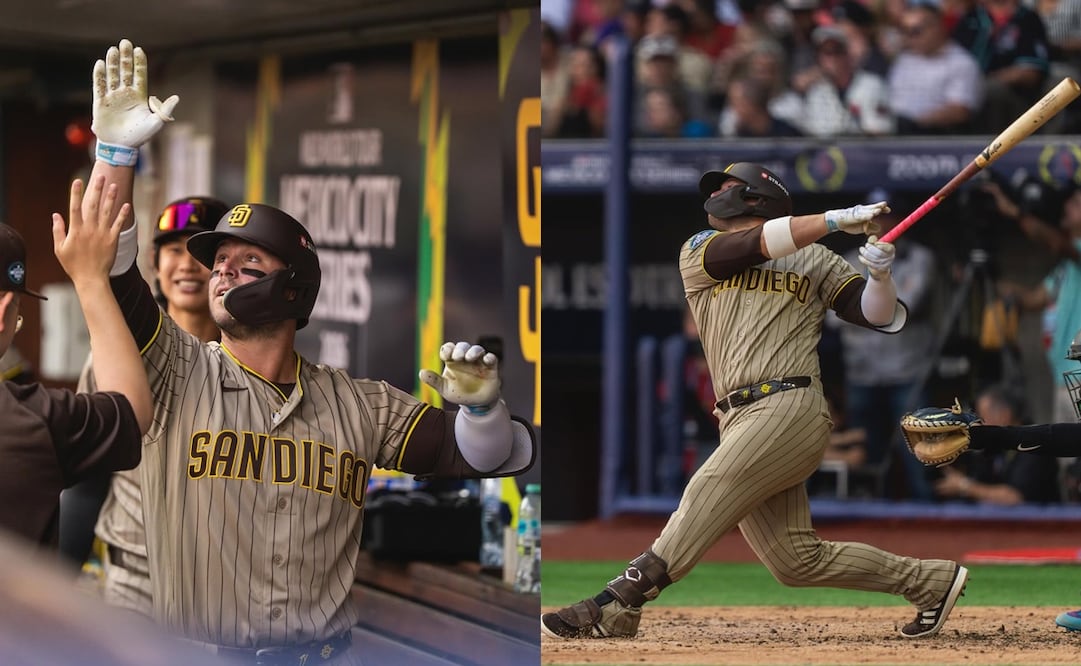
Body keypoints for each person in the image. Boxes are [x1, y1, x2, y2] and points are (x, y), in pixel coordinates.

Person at [84, 39, 535, 663]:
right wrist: (114, 156)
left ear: (294, 285)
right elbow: (102, 260)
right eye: (218, 263)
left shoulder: (357, 403)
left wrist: (483, 411)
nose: (222, 273)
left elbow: (479, 455)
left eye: (247, 262)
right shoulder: (176, 368)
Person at [541, 162, 969, 641]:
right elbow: (753, 245)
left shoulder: (817, 259)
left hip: (790, 404)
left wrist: (881, 277)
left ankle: (618, 602)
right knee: (795, 560)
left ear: (754, 196)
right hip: (738, 415)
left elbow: (879, 317)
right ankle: (931, 581)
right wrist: (833, 219)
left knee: (708, 485)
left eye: (725, 187)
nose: (714, 196)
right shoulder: (700, 248)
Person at [59, 197, 229, 614]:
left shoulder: (255, 361)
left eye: (199, 251)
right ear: (153, 263)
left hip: (226, 589)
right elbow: (87, 479)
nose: (187, 264)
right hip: (135, 583)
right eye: (173, 250)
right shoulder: (119, 352)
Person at [0, 176, 152, 547]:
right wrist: (90, 279)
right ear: (4, 312)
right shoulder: (30, 420)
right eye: (18, 315)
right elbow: (131, 410)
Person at [832, 192, 938, 500]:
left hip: (908, 373)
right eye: (874, 219)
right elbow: (833, 318)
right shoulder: (849, 261)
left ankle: (931, 523)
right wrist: (878, 311)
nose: (880, 225)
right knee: (866, 455)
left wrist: (863, 309)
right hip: (862, 374)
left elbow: (905, 307)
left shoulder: (920, 259)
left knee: (919, 453)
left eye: (888, 217)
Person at [932, 384, 1061, 504]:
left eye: (982, 419)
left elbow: (1015, 498)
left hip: (1040, 524)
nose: (979, 426)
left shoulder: (1035, 444)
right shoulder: (996, 447)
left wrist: (964, 486)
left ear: (1004, 415)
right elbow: (982, 479)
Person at [888, 1, 985, 135]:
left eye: (915, 31)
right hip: (893, 133)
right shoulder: (905, 60)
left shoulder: (961, 62)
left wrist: (915, 121)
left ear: (937, 27)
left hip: (938, 137)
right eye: (904, 31)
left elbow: (960, 111)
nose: (909, 38)